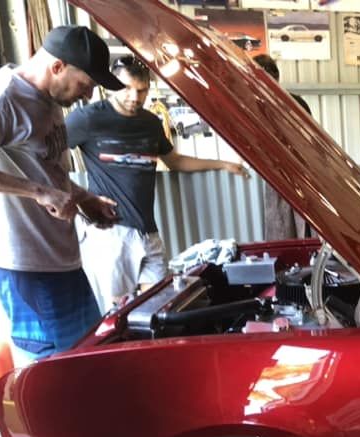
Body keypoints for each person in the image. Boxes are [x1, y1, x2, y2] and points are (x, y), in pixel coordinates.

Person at [67, 56, 248, 312]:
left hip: (148, 232)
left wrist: (222, 164)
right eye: (125, 88)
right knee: (118, 311)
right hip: (111, 234)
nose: (133, 97)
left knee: (163, 305)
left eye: (141, 90)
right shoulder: (86, 119)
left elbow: (174, 161)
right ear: (109, 86)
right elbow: (49, 156)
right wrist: (76, 197)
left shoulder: (151, 124)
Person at [0, 25, 122, 362]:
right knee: (51, 375)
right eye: (85, 85)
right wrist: (38, 193)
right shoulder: (6, 97)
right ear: (58, 67)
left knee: (89, 359)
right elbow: (41, 185)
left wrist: (85, 199)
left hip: (64, 262)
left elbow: (47, 169)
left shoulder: (48, 100)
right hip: (28, 269)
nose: (86, 97)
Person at [253, 54, 312, 240]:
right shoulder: (250, 104)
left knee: (301, 229)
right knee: (282, 229)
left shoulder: (297, 103)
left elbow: (309, 141)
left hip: (297, 173)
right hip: (274, 176)